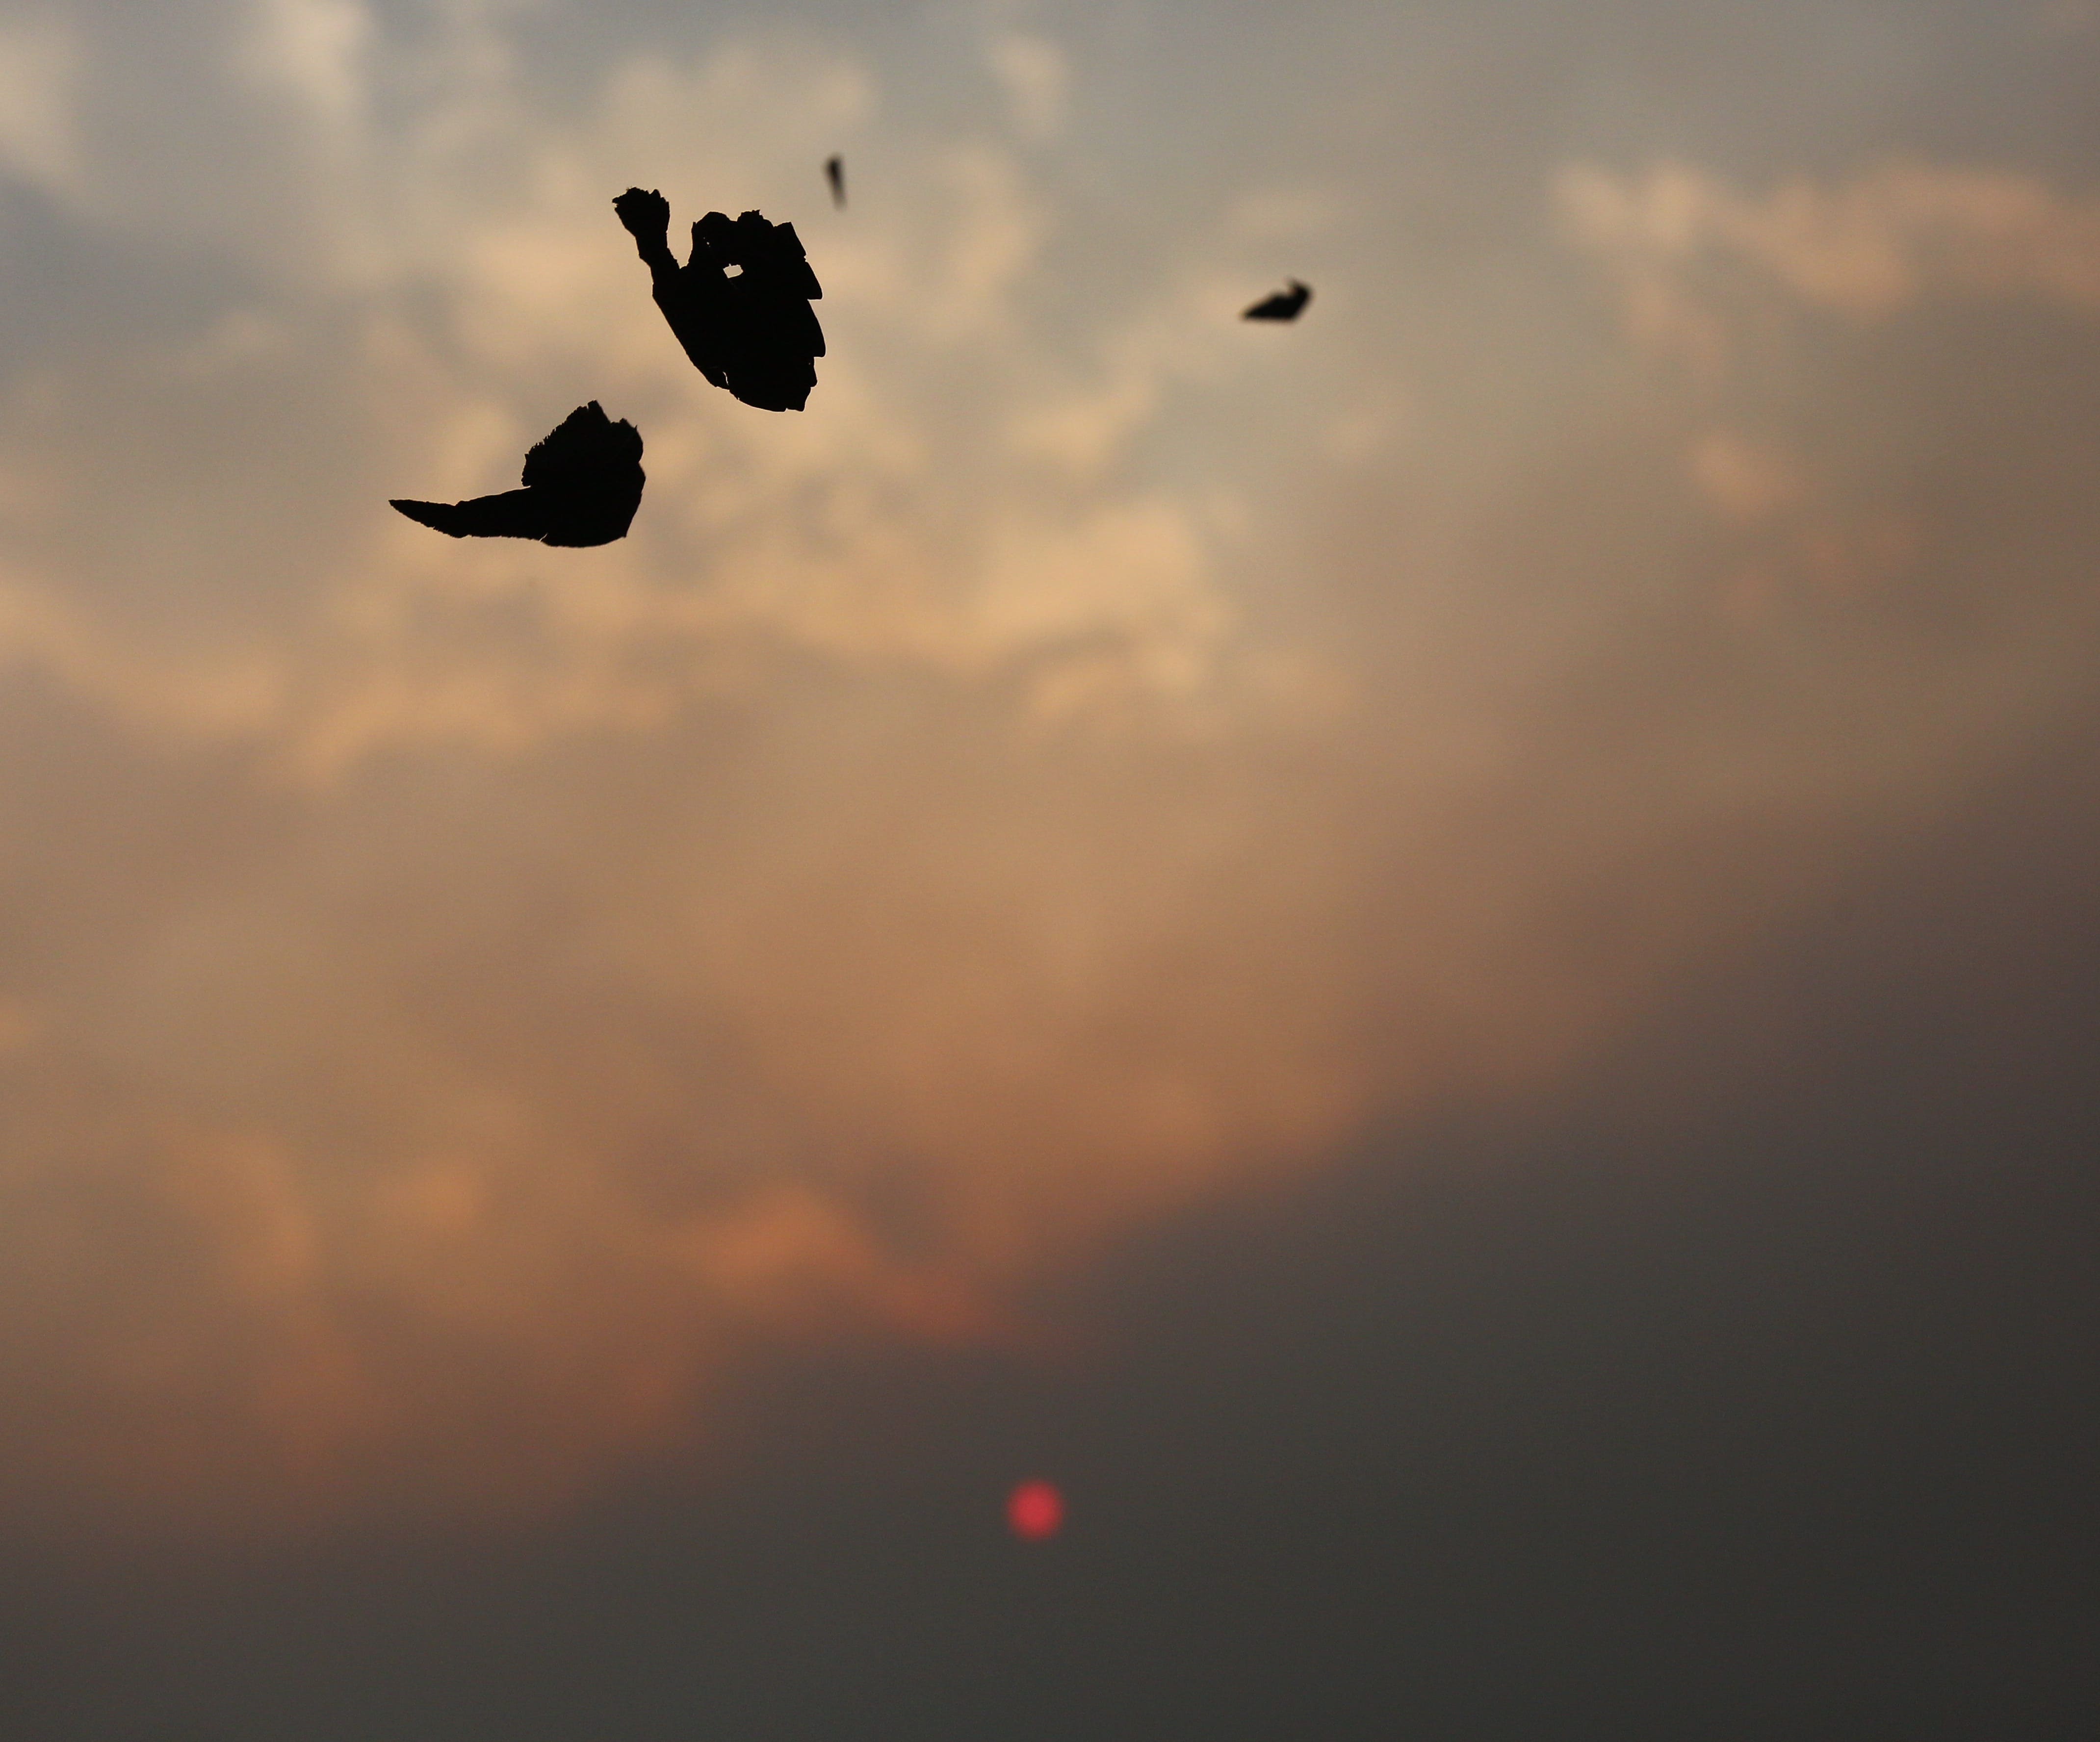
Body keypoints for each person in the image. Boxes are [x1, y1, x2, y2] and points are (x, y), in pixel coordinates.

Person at [614, 188, 825, 411]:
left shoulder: (777, 289)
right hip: (759, 364)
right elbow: (689, 297)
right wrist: (656, 246)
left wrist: (658, 246)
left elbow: (696, 300)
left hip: (768, 366)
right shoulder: (771, 286)